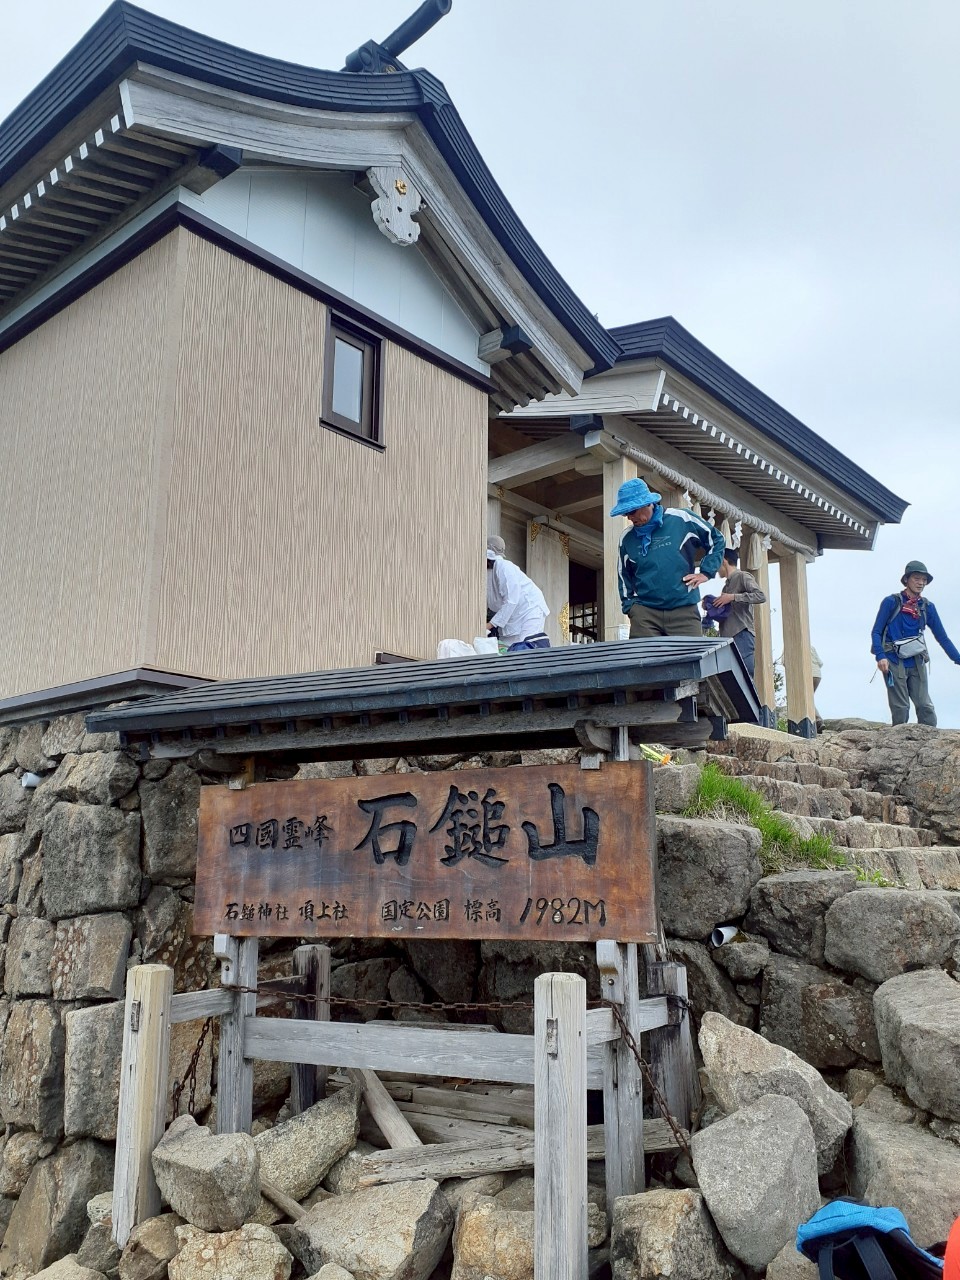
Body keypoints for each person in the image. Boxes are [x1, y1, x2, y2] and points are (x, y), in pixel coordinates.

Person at [610, 478, 725, 638]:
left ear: (647, 504)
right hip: (645, 614)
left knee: (692, 655)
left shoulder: (681, 518)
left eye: (632, 512)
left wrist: (706, 572)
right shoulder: (626, 539)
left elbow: (716, 539)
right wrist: (630, 607)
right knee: (644, 656)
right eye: (625, 513)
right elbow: (623, 575)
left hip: (684, 609)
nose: (629, 517)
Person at [870, 560, 960, 727]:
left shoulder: (927, 607)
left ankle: (930, 740)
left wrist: (958, 659)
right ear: (906, 579)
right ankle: (897, 741)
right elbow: (876, 631)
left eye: (924, 580)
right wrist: (880, 656)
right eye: (916, 578)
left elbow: (943, 638)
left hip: (917, 661)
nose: (921, 583)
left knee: (925, 706)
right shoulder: (891, 602)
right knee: (901, 707)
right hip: (893, 660)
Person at [703, 548, 767, 678]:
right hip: (727, 638)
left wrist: (732, 597)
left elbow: (760, 596)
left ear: (724, 561)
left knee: (744, 678)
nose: (715, 568)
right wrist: (710, 605)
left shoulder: (742, 576)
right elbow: (728, 613)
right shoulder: (725, 587)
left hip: (741, 633)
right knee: (731, 679)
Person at [486, 536, 551, 651]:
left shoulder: (504, 567)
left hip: (529, 610)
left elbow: (511, 600)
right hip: (511, 617)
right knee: (507, 651)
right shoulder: (487, 572)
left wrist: (490, 625)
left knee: (525, 648)